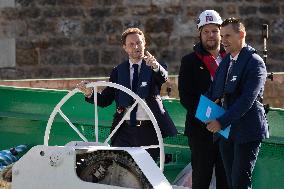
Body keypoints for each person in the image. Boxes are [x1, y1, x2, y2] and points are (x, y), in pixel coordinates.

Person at [77, 27, 178, 160]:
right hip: (124, 130)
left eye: (139, 42)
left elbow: (163, 77)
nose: (136, 46)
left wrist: (155, 66)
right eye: (131, 44)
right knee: (120, 167)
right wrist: (90, 93)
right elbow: (105, 100)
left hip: (149, 129)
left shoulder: (155, 66)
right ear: (125, 47)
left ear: (144, 44)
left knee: (147, 171)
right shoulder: (118, 71)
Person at [206, 18, 269, 189]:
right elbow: (213, 91)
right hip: (226, 133)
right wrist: (204, 112)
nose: (223, 40)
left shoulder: (255, 62)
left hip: (247, 131)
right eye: (222, 35)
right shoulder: (226, 61)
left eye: (228, 36)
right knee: (230, 182)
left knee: (240, 182)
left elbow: (247, 100)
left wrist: (220, 122)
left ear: (241, 35)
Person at [178, 10, 228, 189]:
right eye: (206, 31)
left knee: (227, 180)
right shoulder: (189, 61)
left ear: (220, 32)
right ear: (200, 33)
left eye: (214, 31)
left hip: (227, 129)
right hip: (200, 130)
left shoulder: (231, 58)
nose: (210, 35)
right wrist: (209, 117)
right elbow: (185, 96)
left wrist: (223, 119)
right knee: (201, 180)